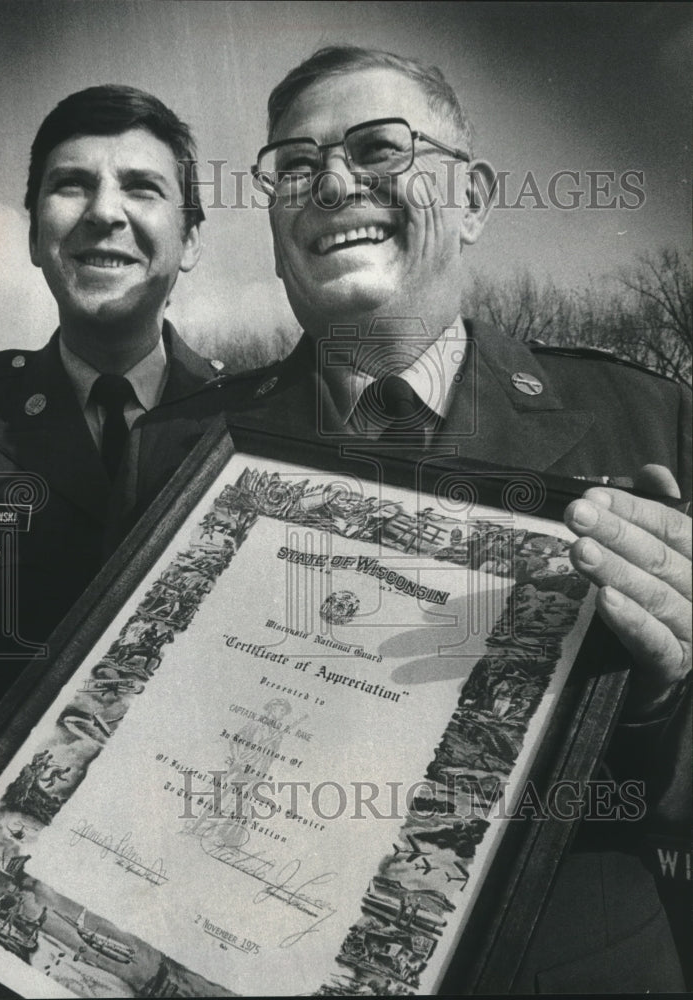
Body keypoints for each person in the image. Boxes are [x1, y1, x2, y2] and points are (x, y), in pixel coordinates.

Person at [126, 46, 691, 991]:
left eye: (381, 148)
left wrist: (663, 690)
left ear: (471, 200)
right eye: (295, 166)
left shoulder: (650, 420)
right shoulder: (176, 453)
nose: (335, 181)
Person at [0, 85, 281, 824]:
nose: (105, 212)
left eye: (142, 187)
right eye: (71, 184)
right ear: (34, 233)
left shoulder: (257, 431)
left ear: (192, 239)